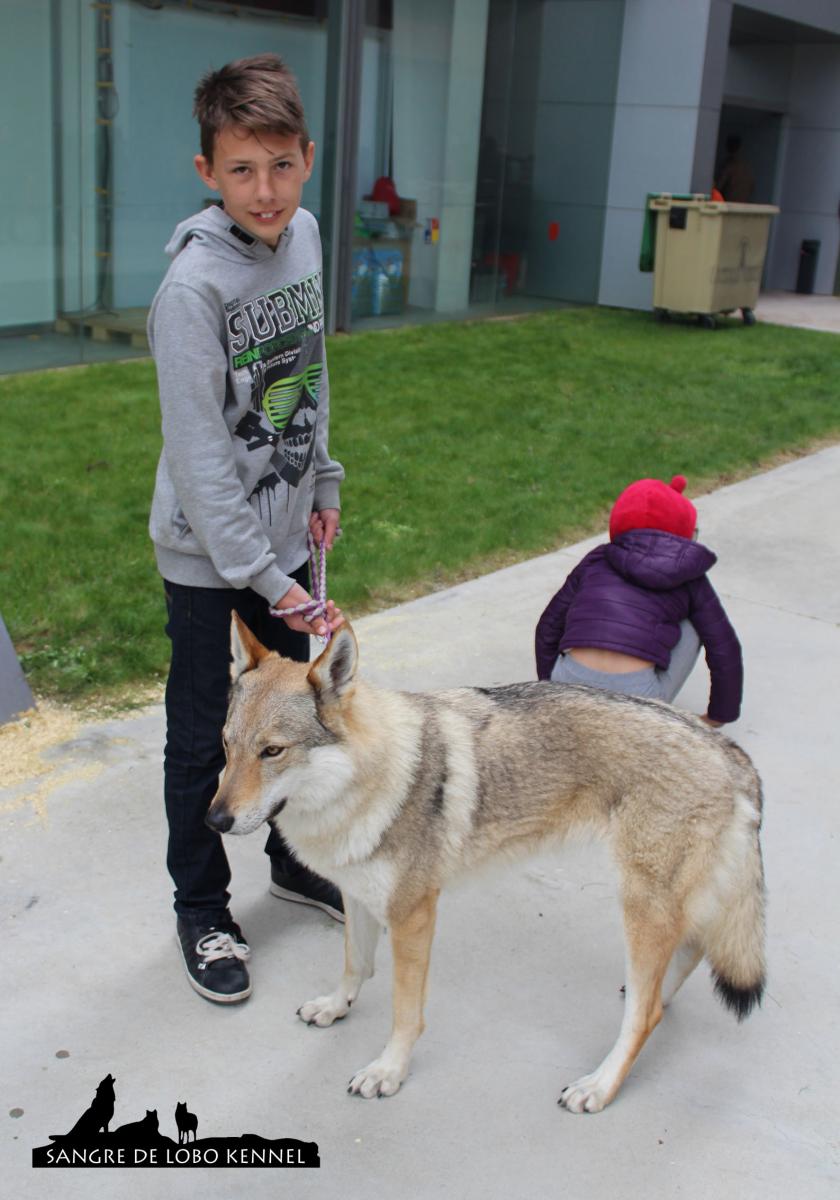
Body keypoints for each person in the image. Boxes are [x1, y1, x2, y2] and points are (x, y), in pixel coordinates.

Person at [148, 54, 345, 1005]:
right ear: (206, 173)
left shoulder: (305, 235)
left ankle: (293, 861)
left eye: (279, 165)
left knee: (290, 723)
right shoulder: (191, 295)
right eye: (240, 170)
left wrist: (326, 477)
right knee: (207, 739)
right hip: (211, 554)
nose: (264, 192)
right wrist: (274, 585)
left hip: (285, 541)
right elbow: (201, 465)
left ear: (308, 159)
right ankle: (202, 907)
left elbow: (308, 370)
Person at [534, 475, 742, 726]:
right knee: (699, 625)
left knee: (583, 602)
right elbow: (724, 647)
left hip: (567, 685)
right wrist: (719, 715)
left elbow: (548, 626)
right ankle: (659, 718)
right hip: (638, 702)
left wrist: (549, 689)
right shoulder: (691, 578)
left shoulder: (596, 560)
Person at [715, 134, 754, 203]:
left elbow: (718, 187)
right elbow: (752, 187)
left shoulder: (729, 166)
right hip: (744, 205)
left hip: (729, 206)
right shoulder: (746, 167)